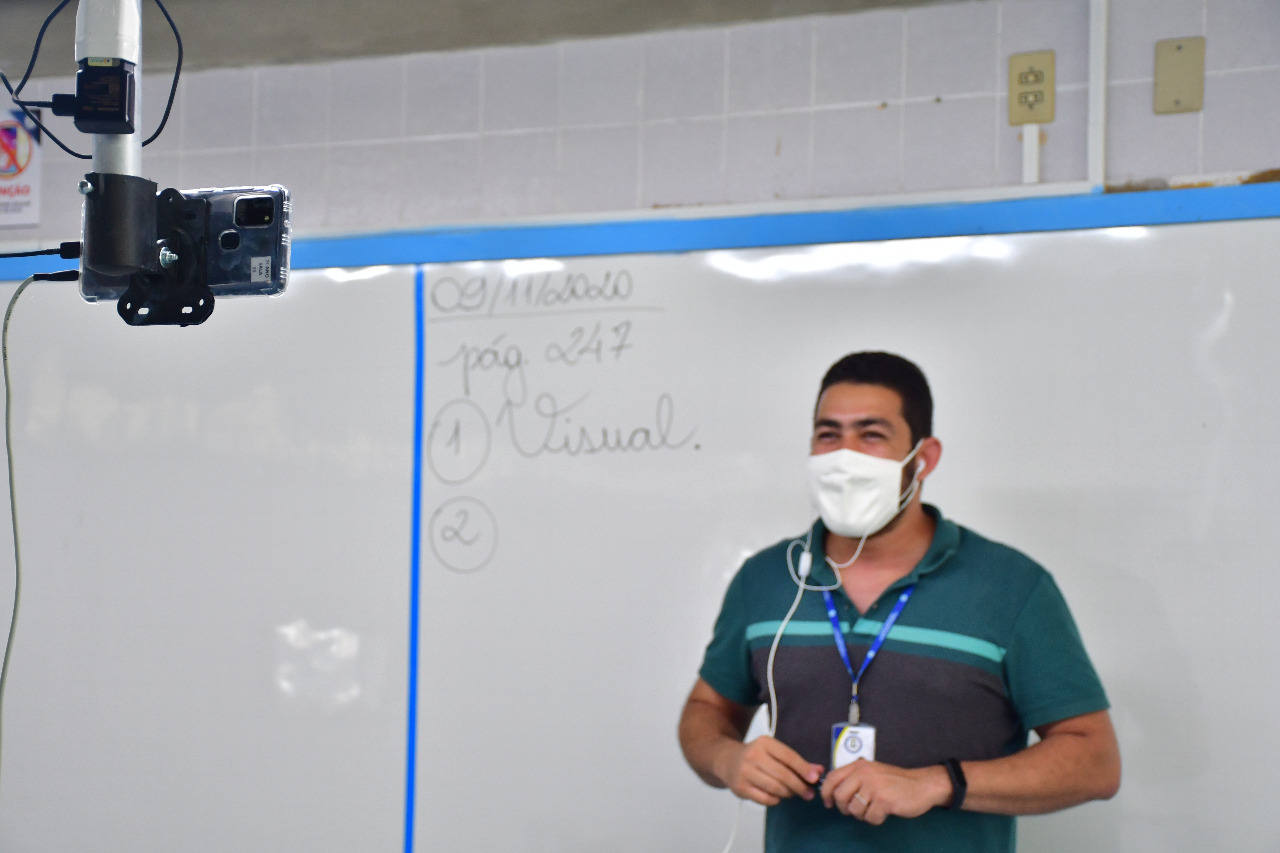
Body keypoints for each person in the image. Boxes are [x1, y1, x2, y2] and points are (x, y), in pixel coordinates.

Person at [678, 351, 1120, 852]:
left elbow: (1096, 762)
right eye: (828, 435)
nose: (844, 457)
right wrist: (725, 759)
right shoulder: (767, 579)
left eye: (871, 435)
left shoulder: (1011, 586)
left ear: (924, 458)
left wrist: (935, 783)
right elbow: (705, 709)